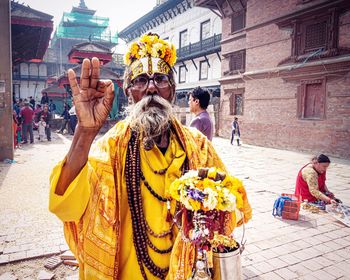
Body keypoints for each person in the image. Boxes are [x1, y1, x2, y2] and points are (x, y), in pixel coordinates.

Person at [49, 33, 252, 280]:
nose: (151, 87)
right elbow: (66, 208)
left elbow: (232, 203)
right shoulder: (111, 148)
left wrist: (211, 207)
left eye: (160, 79)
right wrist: (85, 132)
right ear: (128, 91)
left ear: (173, 90)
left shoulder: (198, 147)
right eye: (141, 80)